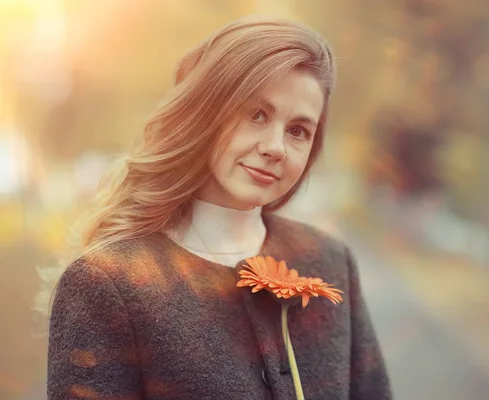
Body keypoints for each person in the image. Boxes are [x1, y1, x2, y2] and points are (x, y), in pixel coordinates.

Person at [47, 16, 392, 400]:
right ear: (204, 113)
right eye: (256, 114)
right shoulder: (108, 284)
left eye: (298, 130)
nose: (275, 147)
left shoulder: (331, 262)